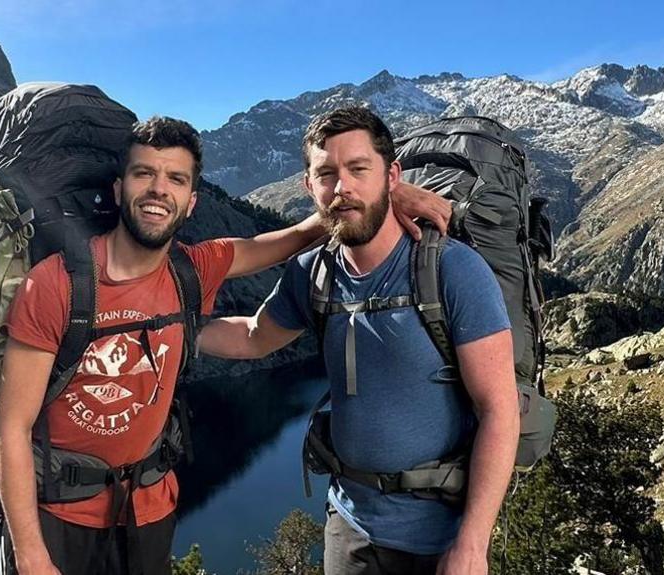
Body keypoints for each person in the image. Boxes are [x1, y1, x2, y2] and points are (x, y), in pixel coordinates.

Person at [0, 115, 451, 575]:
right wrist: (30, 556)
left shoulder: (191, 269)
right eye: (143, 173)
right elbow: (9, 428)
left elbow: (290, 239)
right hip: (58, 514)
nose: (158, 190)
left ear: (191, 202)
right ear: (118, 189)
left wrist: (383, 198)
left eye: (175, 178)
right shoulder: (56, 284)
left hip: (147, 512)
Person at [197, 106, 520, 575]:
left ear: (391, 176)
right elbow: (253, 337)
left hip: (440, 535)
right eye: (326, 174)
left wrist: (472, 544)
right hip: (350, 529)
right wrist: (171, 327)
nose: (342, 187)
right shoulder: (313, 273)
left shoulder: (451, 270)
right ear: (309, 187)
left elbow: (500, 409)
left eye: (358, 169)